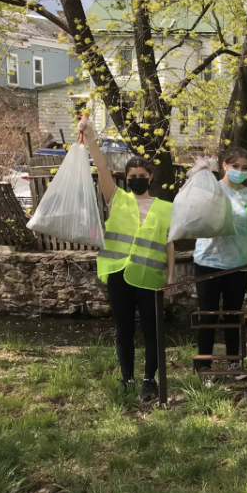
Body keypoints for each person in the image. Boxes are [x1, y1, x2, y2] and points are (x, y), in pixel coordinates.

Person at [80, 115, 175, 402]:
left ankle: (149, 381)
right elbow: (102, 168)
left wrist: (171, 277)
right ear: (126, 178)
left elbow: (169, 244)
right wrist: (92, 140)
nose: (136, 180)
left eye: (141, 176)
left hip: (150, 277)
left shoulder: (165, 208)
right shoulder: (117, 199)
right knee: (123, 328)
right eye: (131, 177)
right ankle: (127, 379)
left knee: (152, 331)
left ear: (150, 177)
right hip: (119, 273)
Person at [190, 148, 247, 384]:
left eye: (244, 167)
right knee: (207, 315)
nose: (239, 170)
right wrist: (198, 173)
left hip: (239, 264)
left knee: (233, 315)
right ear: (224, 166)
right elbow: (192, 209)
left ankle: (234, 361)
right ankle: (204, 366)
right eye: (235, 165)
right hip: (208, 261)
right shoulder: (212, 188)